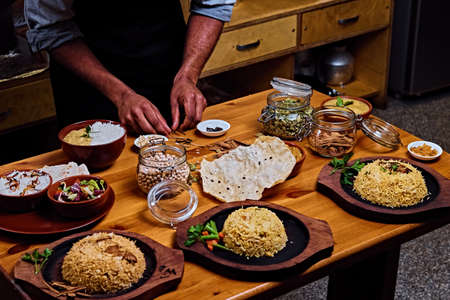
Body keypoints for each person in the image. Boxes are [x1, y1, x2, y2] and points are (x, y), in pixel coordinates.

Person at [24, 0, 235, 134]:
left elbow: (212, 4)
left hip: (165, 68)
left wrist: (187, 75)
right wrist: (121, 95)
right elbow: (51, 28)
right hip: (89, 84)